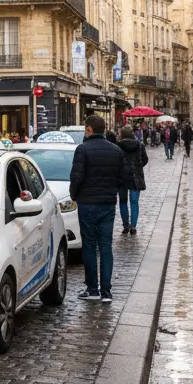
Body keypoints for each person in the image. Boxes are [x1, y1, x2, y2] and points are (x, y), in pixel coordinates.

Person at [69, 115, 130, 302]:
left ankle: (92, 289)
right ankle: (106, 291)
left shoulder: (82, 149)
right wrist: (112, 191)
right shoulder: (116, 150)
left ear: (89, 130)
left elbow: (76, 177)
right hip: (107, 204)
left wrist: (75, 195)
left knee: (89, 245)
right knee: (105, 246)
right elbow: (124, 177)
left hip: (87, 203)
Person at [117, 126, 148, 235]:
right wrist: (138, 167)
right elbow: (145, 159)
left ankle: (126, 226)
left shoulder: (118, 145)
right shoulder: (139, 145)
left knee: (123, 201)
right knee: (134, 202)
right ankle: (133, 226)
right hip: (136, 177)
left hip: (122, 177)